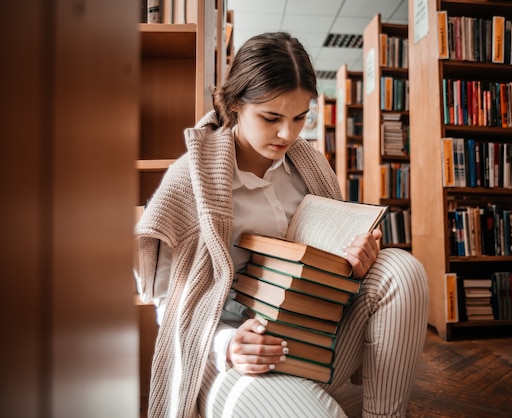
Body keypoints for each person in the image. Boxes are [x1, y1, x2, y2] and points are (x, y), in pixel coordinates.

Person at [135, 31, 429, 418]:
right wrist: (226, 344)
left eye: (300, 117)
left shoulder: (308, 165)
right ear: (236, 103)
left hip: (312, 331)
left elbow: (329, 265)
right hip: (230, 354)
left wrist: (355, 262)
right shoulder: (190, 178)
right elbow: (167, 304)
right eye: (271, 118)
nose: (288, 134)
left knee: (402, 269)